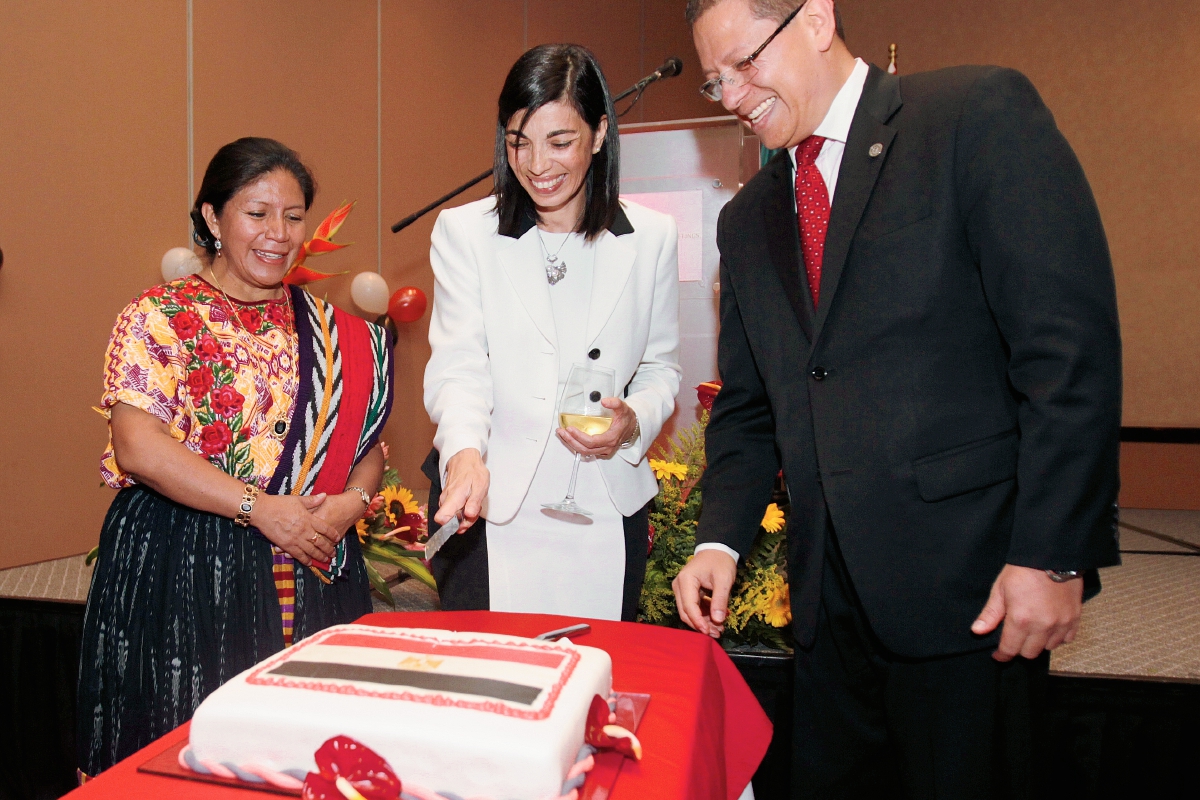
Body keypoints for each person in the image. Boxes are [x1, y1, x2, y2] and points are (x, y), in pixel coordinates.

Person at [672, 0, 1122, 796]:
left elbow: (1066, 354)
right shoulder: (746, 220)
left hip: (970, 591)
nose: (734, 95)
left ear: (815, 18)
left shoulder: (972, 118)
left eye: (745, 63)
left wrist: (1052, 552)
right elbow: (750, 404)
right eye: (715, 82)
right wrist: (720, 542)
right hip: (825, 610)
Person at [77, 137, 393, 778]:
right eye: (257, 213)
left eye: (294, 215)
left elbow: (368, 450)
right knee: (186, 750)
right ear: (212, 219)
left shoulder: (338, 333)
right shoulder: (157, 317)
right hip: (183, 565)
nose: (278, 233)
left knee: (311, 748)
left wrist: (345, 509)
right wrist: (259, 508)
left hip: (313, 562)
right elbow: (138, 447)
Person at [423, 44, 681, 622]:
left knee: (596, 682)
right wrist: (463, 453)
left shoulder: (653, 237)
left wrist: (633, 421)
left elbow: (663, 368)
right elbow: (459, 366)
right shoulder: (465, 233)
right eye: (519, 141)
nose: (537, 163)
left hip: (607, 503)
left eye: (559, 141)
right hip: (493, 504)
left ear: (598, 134)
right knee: (494, 687)